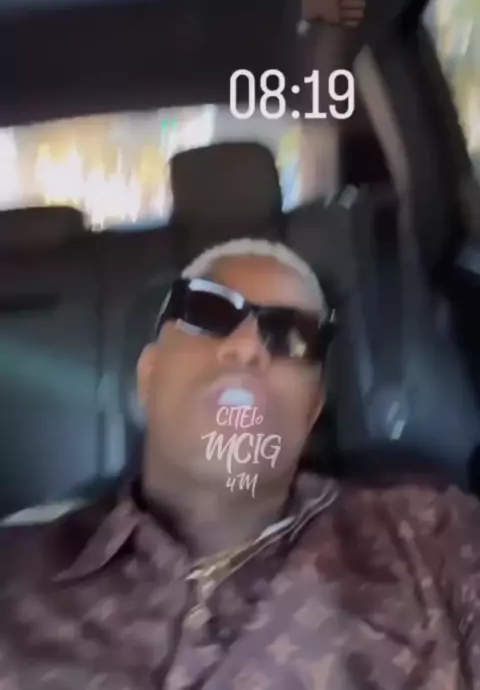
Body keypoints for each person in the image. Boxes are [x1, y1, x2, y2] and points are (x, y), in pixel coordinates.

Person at [1, 238, 480, 690]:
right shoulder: (17, 573)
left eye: (290, 336)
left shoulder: (430, 539)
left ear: (311, 411)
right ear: (148, 377)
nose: (248, 348)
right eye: (208, 313)